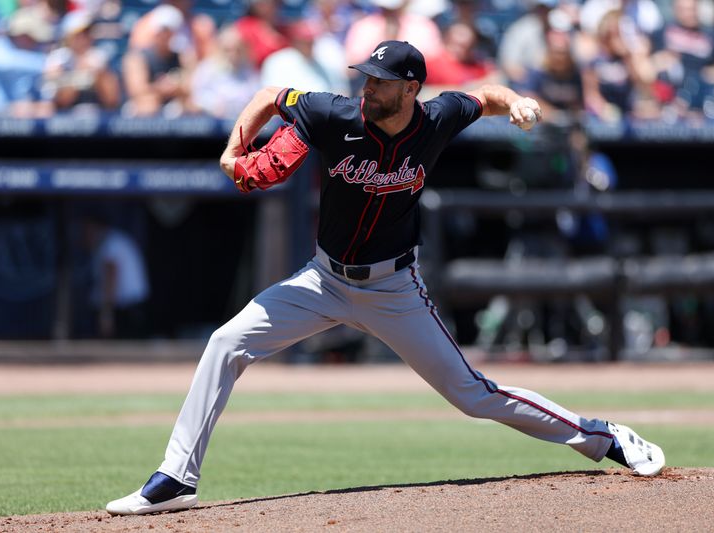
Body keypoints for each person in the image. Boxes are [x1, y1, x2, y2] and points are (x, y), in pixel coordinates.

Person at [105, 39, 665, 516]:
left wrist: (516, 101)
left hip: (395, 288)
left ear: (410, 88)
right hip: (322, 281)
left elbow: (485, 94)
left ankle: (604, 437)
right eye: (366, 79)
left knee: (473, 395)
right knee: (226, 343)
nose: (367, 89)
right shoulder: (332, 113)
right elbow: (266, 98)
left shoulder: (438, 118)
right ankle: (176, 478)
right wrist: (233, 150)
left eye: (379, 82)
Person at [81, 213, 150, 339]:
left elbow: (111, 277)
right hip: (126, 309)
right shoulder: (111, 241)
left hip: (126, 310)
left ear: (97, 227)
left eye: (87, 229)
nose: (84, 236)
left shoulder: (111, 243)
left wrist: (106, 314)